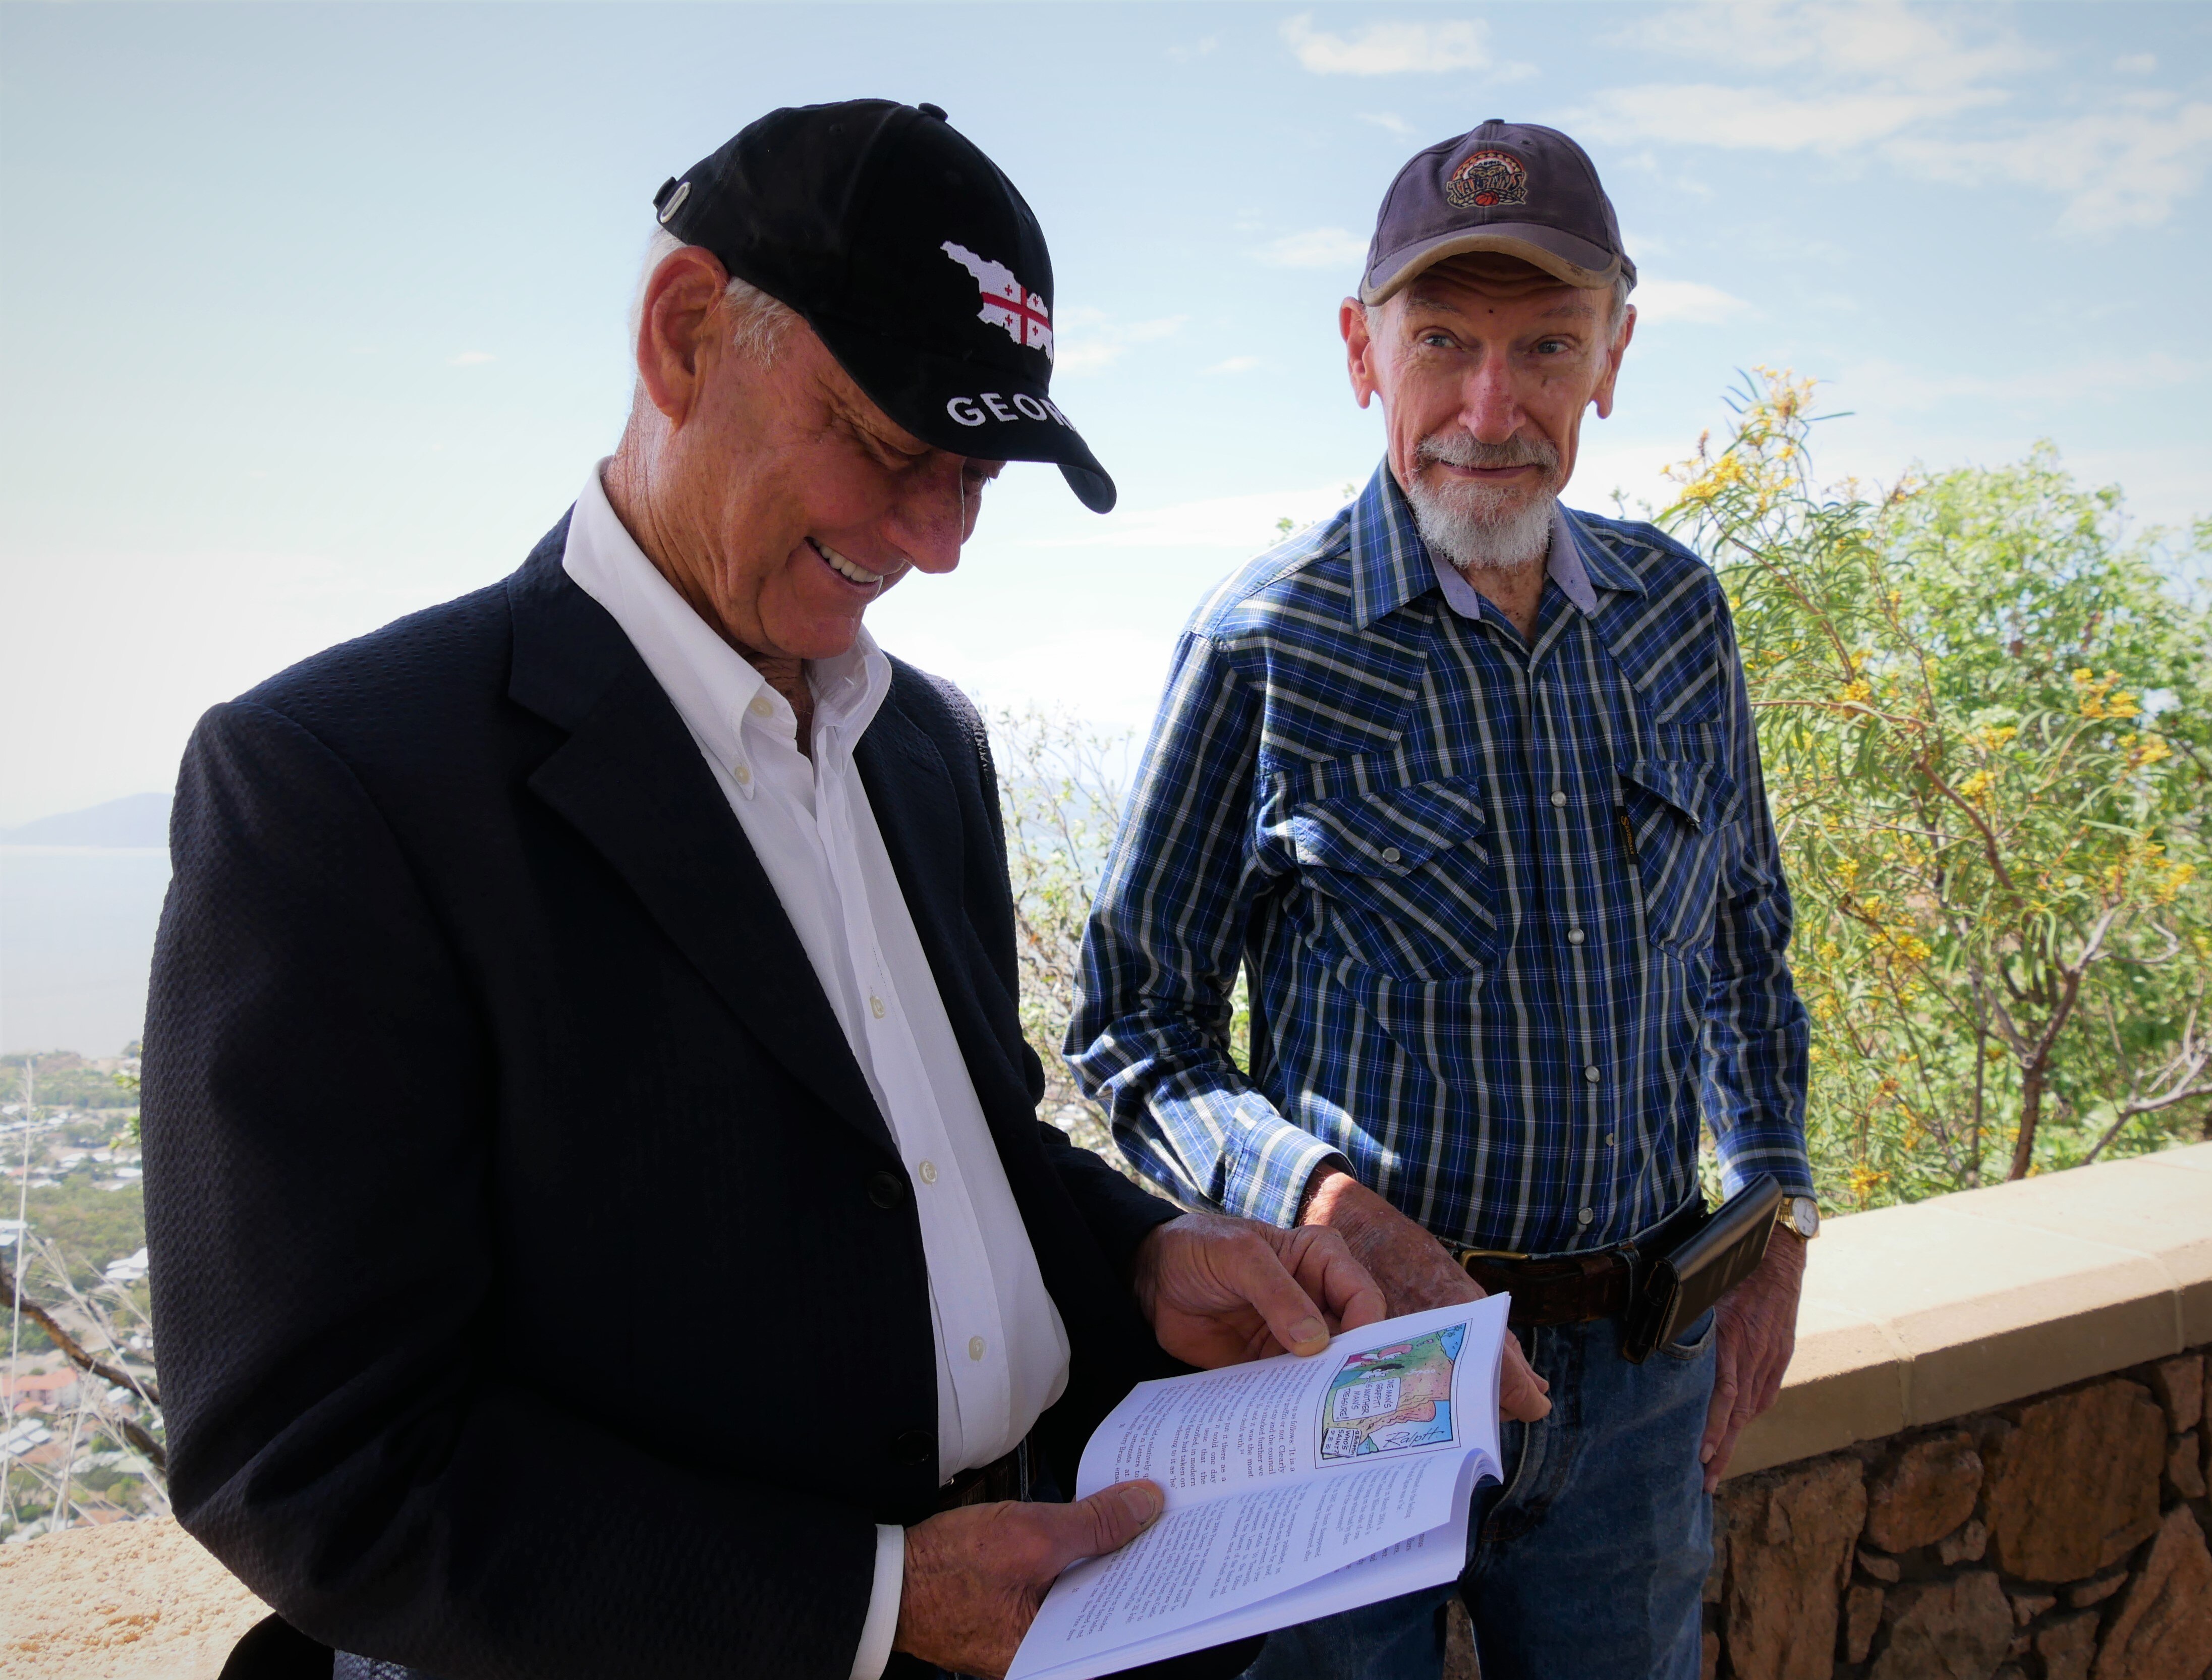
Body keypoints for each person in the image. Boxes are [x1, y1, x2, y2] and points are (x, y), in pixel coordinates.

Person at [143, 100, 1386, 1680]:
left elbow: (952, 1151)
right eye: (888, 444)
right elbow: (310, 1464)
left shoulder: (923, 746)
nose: (938, 540)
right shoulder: (342, 782)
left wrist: (1142, 1252)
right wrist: (873, 1601)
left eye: (977, 473)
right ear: (683, 336)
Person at [1067, 120, 1819, 1679]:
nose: (1491, 407)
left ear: (1612, 355)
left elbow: (1744, 948)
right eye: (1440, 344)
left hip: (1641, 1379)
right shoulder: (1267, 643)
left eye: (1544, 344)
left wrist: (1778, 1218)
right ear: (1361, 353)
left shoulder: (1676, 615)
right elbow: (1133, 1021)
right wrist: (1328, 1209)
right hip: (1353, 1371)